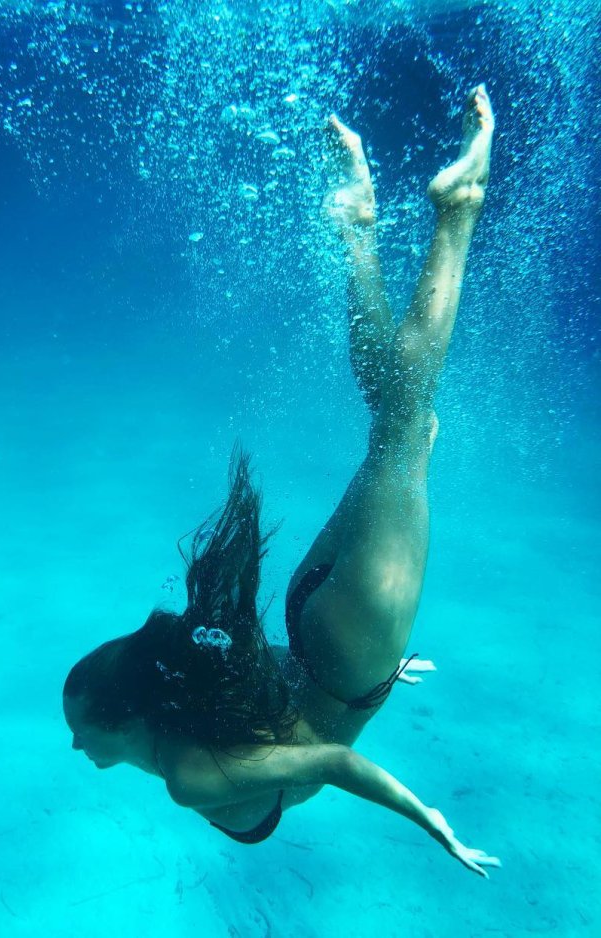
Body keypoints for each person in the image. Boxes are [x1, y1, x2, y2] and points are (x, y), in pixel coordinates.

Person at [64, 85, 502, 877]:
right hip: (327, 634)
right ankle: (357, 228)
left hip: (348, 649)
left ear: (121, 717)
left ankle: (455, 208)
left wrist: (429, 820)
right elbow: (299, 726)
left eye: (77, 728)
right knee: (399, 431)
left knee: (404, 429)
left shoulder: (189, 777)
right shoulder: (187, 719)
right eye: (76, 727)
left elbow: (331, 763)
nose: (76, 745)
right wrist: (385, 665)